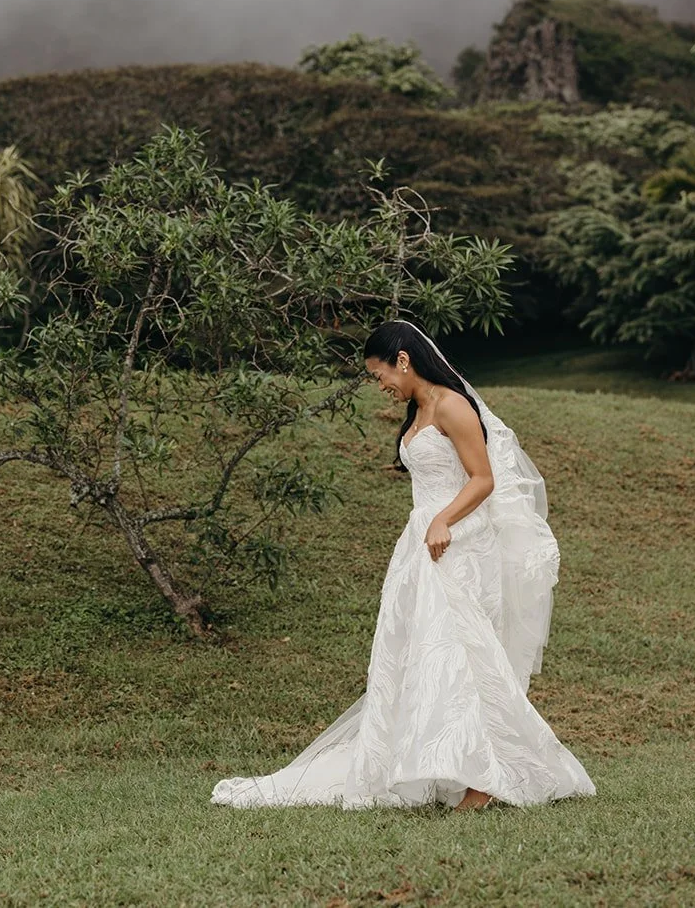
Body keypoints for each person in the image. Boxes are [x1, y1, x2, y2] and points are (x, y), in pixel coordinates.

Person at [212, 320, 594, 811]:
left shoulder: (453, 405)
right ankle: (436, 762)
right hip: (421, 545)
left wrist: (443, 519)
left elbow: (483, 479)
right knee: (422, 656)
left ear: (404, 360)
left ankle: (481, 780)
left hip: (456, 543)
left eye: (380, 375)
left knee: (461, 656)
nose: (382, 386)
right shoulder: (418, 411)